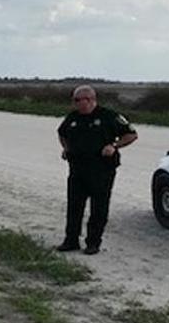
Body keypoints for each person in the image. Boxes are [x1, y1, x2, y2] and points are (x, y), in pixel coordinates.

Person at [56, 85, 138, 255]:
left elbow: (131, 134)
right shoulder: (72, 117)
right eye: (75, 100)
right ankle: (71, 240)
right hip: (77, 169)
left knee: (98, 208)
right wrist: (66, 148)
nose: (76, 103)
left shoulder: (108, 116)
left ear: (91, 99)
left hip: (101, 170)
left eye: (79, 100)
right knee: (74, 206)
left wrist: (114, 146)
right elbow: (62, 133)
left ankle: (93, 243)